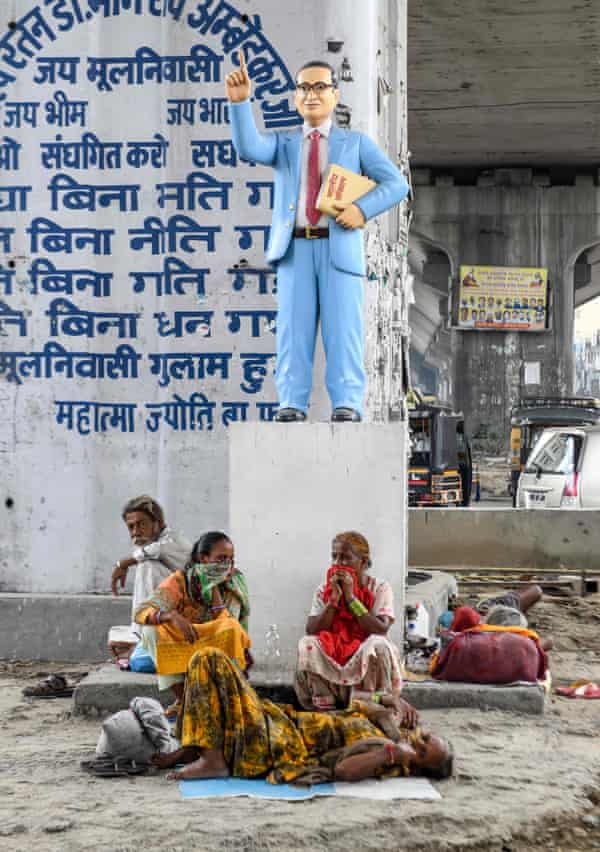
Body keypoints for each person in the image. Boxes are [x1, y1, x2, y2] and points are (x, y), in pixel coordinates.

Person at [225, 52, 409, 423]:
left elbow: (396, 183)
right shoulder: (283, 144)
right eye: (303, 87)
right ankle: (291, 401)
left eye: (320, 86)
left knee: (344, 331)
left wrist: (362, 209)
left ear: (335, 95)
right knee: (293, 331)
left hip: (338, 245)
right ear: (295, 97)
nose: (311, 94)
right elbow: (248, 148)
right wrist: (242, 103)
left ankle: (348, 403)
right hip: (294, 248)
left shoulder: (355, 144)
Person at [154, 648, 453, 785]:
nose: (418, 738)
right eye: (425, 737)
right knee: (209, 666)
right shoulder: (390, 728)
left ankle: (214, 761)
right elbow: (355, 702)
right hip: (278, 723)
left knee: (209, 660)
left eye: (422, 749)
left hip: (275, 746)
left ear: (417, 767)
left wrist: (392, 753)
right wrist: (388, 700)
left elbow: (344, 771)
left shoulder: (388, 756)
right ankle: (198, 747)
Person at [135, 531, 250, 717]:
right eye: (221, 558)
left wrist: (213, 588)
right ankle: (184, 701)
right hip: (185, 642)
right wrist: (171, 616)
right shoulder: (180, 581)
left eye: (230, 559)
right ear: (203, 558)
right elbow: (141, 612)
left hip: (216, 650)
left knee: (232, 628)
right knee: (151, 630)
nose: (227, 564)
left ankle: (219, 701)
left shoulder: (234, 583)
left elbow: (228, 625)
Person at [294, 531, 404, 711]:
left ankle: (377, 698)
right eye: (334, 557)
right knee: (307, 643)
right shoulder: (324, 590)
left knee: (378, 644)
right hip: (336, 649)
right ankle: (325, 699)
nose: (338, 564)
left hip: (363, 650)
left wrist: (351, 598)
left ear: (363, 561)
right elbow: (312, 630)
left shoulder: (380, 588)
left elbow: (380, 629)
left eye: (345, 558)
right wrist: (333, 602)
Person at [108, 495, 192, 660]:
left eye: (141, 524)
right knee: (115, 634)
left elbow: (154, 551)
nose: (136, 532)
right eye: (131, 527)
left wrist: (122, 564)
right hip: (168, 618)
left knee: (147, 565)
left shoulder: (173, 540)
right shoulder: (153, 546)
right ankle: (140, 641)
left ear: (158, 523)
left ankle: (141, 643)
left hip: (187, 619)